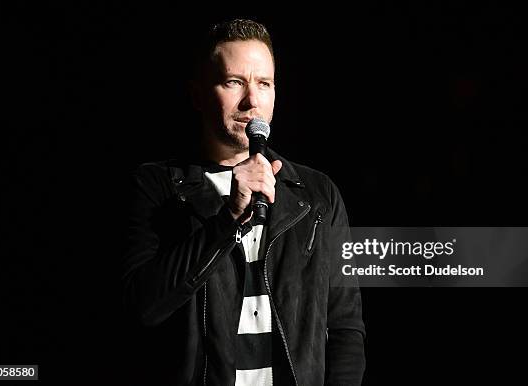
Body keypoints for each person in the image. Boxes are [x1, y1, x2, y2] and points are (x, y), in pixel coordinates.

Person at [122, 19, 365, 385]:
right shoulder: (156, 186)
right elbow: (143, 307)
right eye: (234, 82)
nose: (252, 100)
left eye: (264, 83)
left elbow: (345, 326)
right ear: (198, 95)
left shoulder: (317, 193)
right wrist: (228, 217)